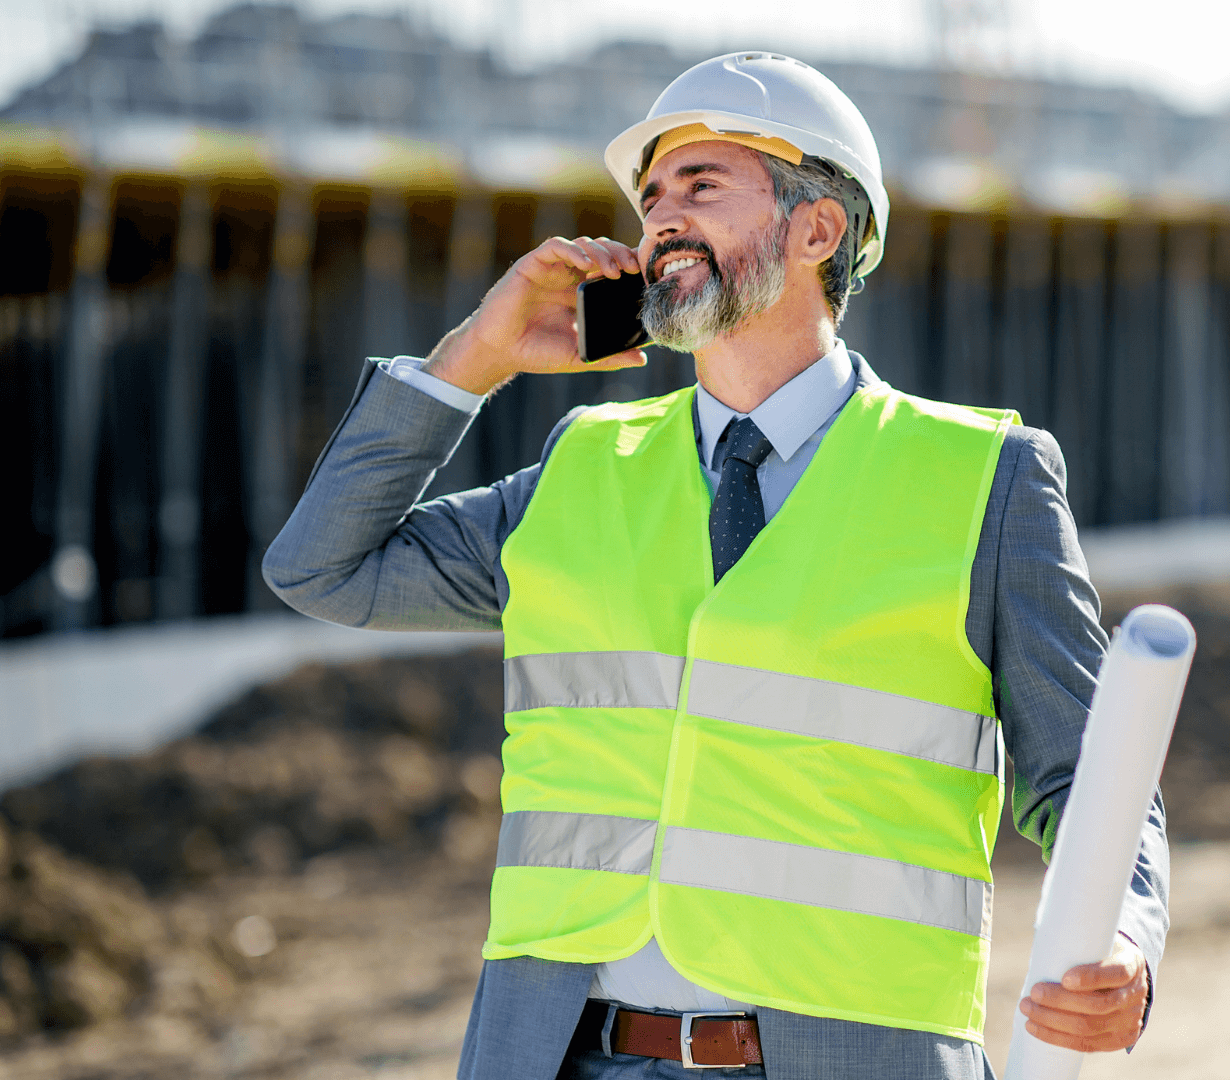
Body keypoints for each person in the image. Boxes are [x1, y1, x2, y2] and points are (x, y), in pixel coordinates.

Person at [264, 51, 1169, 1080]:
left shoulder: (985, 482)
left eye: (702, 186)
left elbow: (1097, 780)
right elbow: (321, 568)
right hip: (562, 1054)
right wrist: (472, 356)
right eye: (650, 198)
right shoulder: (580, 471)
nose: (660, 220)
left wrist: (1126, 938)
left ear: (816, 230)